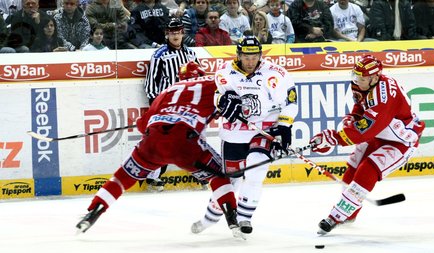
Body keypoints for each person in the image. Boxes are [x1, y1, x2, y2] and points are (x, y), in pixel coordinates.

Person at [76, 62, 241, 237]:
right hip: (184, 142)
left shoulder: (168, 90)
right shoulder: (212, 83)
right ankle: (233, 221)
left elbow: (142, 125)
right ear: (201, 74)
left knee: (123, 177)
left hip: (152, 141)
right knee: (219, 176)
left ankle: (93, 211)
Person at [191, 35, 298, 235]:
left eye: (254, 56)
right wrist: (222, 102)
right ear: (238, 55)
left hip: (265, 129)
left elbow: (290, 102)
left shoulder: (276, 74)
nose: (250, 61)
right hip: (235, 131)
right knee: (232, 180)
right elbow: (217, 96)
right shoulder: (224, 73)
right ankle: (209, 217)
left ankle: (245, 218)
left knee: (256, 172)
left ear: (260, 55)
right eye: (246, 56)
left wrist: (284, 126)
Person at [309, 55, 425, 235]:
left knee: (367, 170)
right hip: (380, 132)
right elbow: (361, 109)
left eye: (361, 79)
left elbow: (365, 132)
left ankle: (336, 216)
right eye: (355, 76)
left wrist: (334, 138)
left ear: (375, 77)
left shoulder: (384, 98)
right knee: (352, 168)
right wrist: (352, 119)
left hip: (401, 140)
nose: (357, 81)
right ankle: (350, 212)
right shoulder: (363, 83)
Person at [144, 18, 200, 192]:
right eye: (172, 32)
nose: (175, 35)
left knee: (194, 139)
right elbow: (151, 84)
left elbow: (198, 79)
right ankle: (153, 177)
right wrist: (157, 107)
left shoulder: (191, 54)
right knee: (163, 141)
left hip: (188, 106)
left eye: (178, 31)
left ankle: (199, 173)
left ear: (183, 33)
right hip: (167, 106)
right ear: (167, 34)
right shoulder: (159, 55)